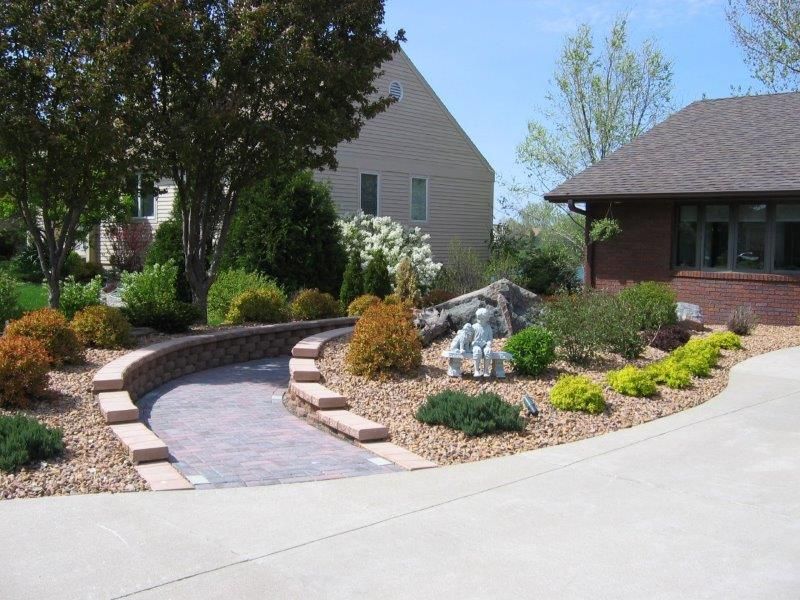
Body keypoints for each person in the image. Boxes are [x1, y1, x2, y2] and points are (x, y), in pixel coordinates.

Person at [471, 308, 493, 377]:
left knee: (488, 351)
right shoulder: (474, 327)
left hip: (485, 345)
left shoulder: (488, 327)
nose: (488, 318)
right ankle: (476, 370)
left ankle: (486, 370)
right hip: (476, 345)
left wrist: (489, 343)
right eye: (486, 317)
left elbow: (490, 339)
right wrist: (473, 343)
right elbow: (470, 339)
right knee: (477, 351)